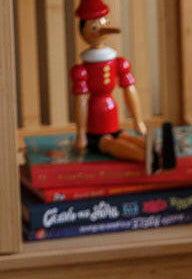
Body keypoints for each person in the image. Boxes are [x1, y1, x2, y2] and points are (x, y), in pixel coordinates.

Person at [70, 0, 147, 162]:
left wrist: (138, 120)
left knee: (125, 138)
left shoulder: (117, 61)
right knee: (109, 143)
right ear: (83, 31)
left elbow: (129, 89)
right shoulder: (82, 70)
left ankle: (155, 151)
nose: (103, 28)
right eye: (94, 26)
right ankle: (147, 157)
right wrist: (81, 134)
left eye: (105, 23)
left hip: (112, 118)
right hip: (95, 128)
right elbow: (81, 99)